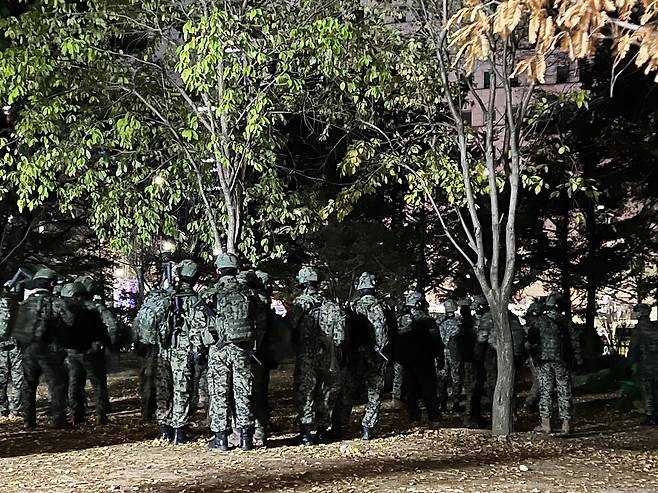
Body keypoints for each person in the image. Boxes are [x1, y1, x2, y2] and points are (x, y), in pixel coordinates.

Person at [206, 254, 261, 451]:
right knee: (243, 390)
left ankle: (221, 438)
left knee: (219, 391)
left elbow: (198, 326)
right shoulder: (249, 292)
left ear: (218, 270)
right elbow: (259, 322)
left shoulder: (210, 293)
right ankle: (246, 437)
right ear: (237, 270)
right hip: (243, 348)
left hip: (219, 349)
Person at [288, 266, 345, 446]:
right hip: (329, 355)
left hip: (307, 355)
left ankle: (305, 434)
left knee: (305, 391)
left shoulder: (301, 303)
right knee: (326, 391)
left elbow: (289, 327)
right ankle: (322, 431)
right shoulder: (330, 305)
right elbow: (341, 336)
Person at [10, 267, 73, 429]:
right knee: (58, 383)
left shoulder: (25, 304)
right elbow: (70, 321)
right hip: (50, 349)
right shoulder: (56, 303)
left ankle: (28, 421)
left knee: (28, 385)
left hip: (29, 349)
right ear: (51, 284)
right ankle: (58, 419)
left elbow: (17, 328)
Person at [335, 272, 390, 440]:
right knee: (374, 393)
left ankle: (338, 425)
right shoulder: (377, 306)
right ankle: (367, 428)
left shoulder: (352, 306)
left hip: (354, 354)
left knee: (348, 390)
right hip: (373, 354)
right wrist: (381, 350)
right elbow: (381, 329)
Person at [155, 260, 205, 444]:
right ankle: (179, 431)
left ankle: (163, 429)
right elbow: (199, 328)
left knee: (163, 389)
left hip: (163, 349)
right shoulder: (193, 300)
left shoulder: (165, 296)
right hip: (183, 350)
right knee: (181, 389)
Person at [527, 292, 582, 434]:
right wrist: (578, 361)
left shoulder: (539, 321)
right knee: (565, 391)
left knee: (546, 391)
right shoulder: (567, 322)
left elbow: (531, 341)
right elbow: (575, 343)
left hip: (544, 361)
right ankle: (566, 425)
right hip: (562, 361)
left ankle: (546, 424)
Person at [60, 281, 111, 425]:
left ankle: (76, 413)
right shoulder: (91, 311)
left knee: (74, 384)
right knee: (98, 384)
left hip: (72, 354)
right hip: (90, 352)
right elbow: (101, 330)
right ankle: (101, 414)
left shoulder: (63, 313)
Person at [394, 291, 441, 425]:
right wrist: (439, 357)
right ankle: (433, 417)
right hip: (425, 360)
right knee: (429, 389)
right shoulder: (428, 321)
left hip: (407, 362)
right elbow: (436, 340)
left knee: (411, 390)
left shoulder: (401, 320)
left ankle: (414, 417)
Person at [628, 303, 658, 425]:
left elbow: (634, 349)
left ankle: (651, 415)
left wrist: (630, 363)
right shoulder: (656, 327)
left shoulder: (638, 329)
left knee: (647, 390)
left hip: (645, 364)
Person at [0, 284, 23, 418]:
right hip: (16, 346)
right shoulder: (19, 306)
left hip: (1, 347)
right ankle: (15, 410)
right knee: (18, 380)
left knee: (1, 379)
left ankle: (2, 409)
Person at [439, 299, 464, 412]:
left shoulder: (440, 322)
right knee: (456, 378)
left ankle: (442, 403)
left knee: (442, 378)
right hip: (454, 353)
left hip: (442, 353)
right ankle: (456, 403)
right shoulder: (459, 323)